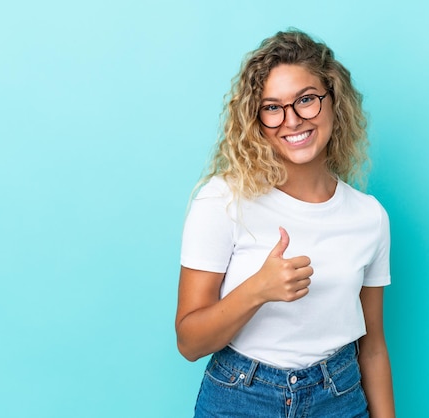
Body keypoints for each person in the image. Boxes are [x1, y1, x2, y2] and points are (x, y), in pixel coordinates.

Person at [175, 29, 395, 418]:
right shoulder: (224, 200)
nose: (292, 120)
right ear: (256, 120)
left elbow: (373, 344)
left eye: (306, 100)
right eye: (272, 107)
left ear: (334, 102)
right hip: (240, 398)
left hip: (339, 398)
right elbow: (190, 342)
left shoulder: (369, 216)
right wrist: (257, 290)